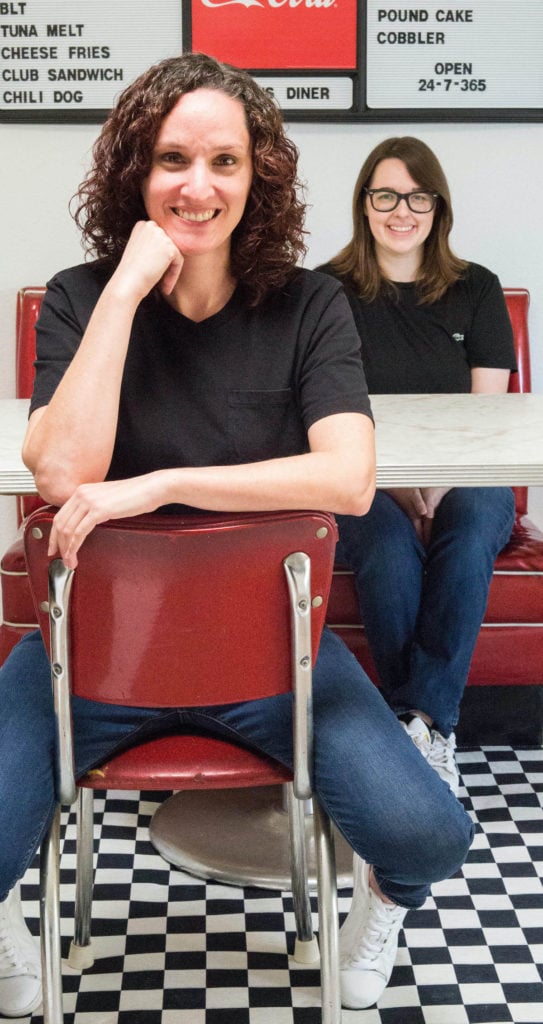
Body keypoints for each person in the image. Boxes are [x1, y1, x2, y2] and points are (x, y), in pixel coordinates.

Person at [0, 62, 474, 1017]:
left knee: (428, 835)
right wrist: (128, 292)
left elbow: (347, 476)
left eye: (225, 160)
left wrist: (164, 485)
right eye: (172, 158)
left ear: (258, 178)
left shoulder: (307, 306)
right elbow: (59, 471)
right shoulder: (82, 296)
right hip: (93, 655)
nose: (196, 184)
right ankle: (11, 917)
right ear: (136, 171)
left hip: (274, 659)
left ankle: (371, 912)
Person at [317, 136, 517, 796]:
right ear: (363, 205)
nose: (400, 210)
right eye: (384, 195)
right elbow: (322, 408)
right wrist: (402, 489)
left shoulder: (476, 288)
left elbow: (488, 415)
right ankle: (420, 729)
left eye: (416, 196)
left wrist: (435, 484)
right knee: (389, 547)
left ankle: (420, 721)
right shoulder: (324, 292)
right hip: (362, 476)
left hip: (469, 471)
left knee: (466, 538)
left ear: (437, 207)